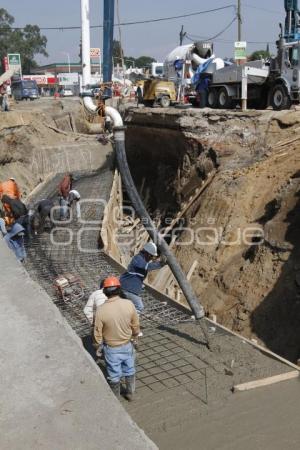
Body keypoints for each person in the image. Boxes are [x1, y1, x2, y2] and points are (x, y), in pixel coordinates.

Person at [94, 276, 140, 400]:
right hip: (127, 345)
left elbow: (97, 332)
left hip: (111, 349)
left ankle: (116, 397)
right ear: (119, 290)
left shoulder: (101, 310)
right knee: (130, 369)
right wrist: (135, 337)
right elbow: (135, 325)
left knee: (114, 374)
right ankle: (130, 393)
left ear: (104, 292)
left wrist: (98, 346)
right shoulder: (129, 304)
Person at [120, 242, 166, 314]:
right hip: (127, 288)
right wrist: (161, 264)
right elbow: (148, 266)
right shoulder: (138, 258)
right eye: (151, 256)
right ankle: (131, 322)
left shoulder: (141, 260)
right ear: (147, 253)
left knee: (127, 307)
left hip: (128, 289)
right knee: (139, 306)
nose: (151, 258)